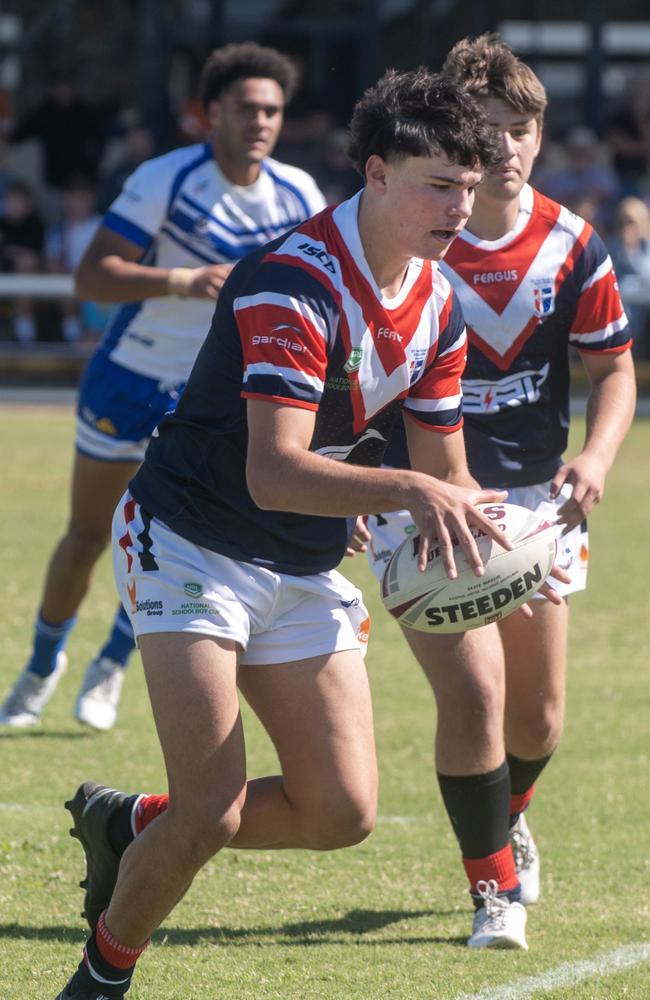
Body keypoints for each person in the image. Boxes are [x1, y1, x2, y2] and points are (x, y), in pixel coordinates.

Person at [53, 68, 508, 1000]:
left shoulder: (438, 303)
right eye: (438, 184)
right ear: (375, 175)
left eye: (470, 188)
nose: (459, 208)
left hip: (299, 556)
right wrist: (413, 490)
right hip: (189, 540)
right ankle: (99, 978)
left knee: (343, 813)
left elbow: (448, 471)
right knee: (212, 811)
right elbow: (275, 469)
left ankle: (132, 824)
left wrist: (502, 556)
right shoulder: (292, 282)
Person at [361, 34, 636, 951]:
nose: (507, 148)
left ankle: (504, 813)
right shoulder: (410, 236)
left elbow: (614, 370)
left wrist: (594, 458)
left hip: (530, 502)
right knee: (473, 696)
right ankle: (495, 889)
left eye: (521, 130)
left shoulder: (574, 242)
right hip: (422, 498)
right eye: (487, 131)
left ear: (540, 135)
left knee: (540, 713)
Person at [0, 42, 327, 732]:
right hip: (133, 377)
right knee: (88, 534)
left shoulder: (299, 194)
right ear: (210, 114)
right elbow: (93, 277)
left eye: (272, 109)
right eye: (246, 108)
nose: (261, 121)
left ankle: (113, 664)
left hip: (215, 397)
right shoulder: (165, 180)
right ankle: (40, 664)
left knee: (174, 539)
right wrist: (180, 280)